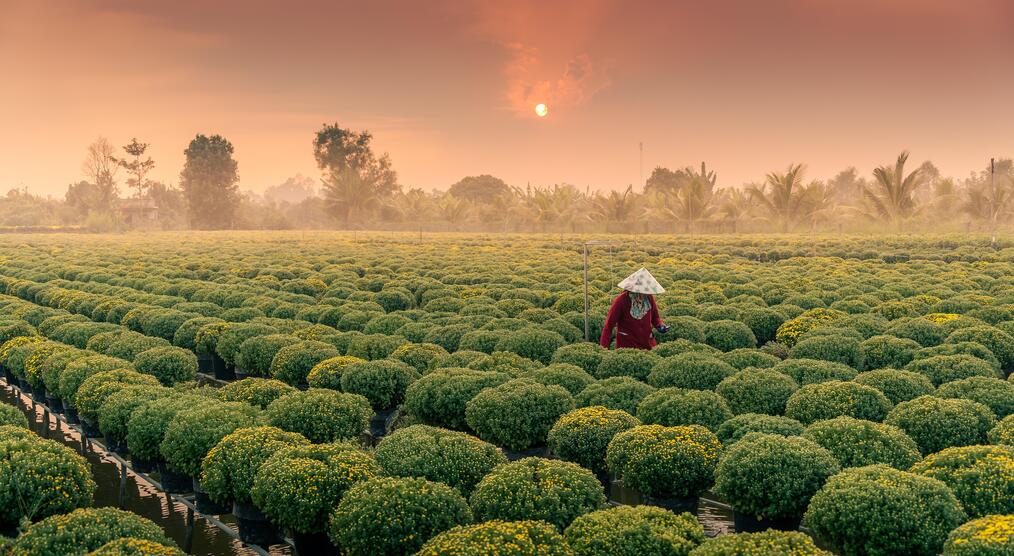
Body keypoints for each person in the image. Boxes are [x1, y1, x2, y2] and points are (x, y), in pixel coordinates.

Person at [599, 267, 669, 350]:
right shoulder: (621, 300)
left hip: (647, 344)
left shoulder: (649, 298)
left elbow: (655, 317)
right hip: (627, 345)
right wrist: (603, 349)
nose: (644, 294)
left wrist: (660, 325)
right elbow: (608, 326)